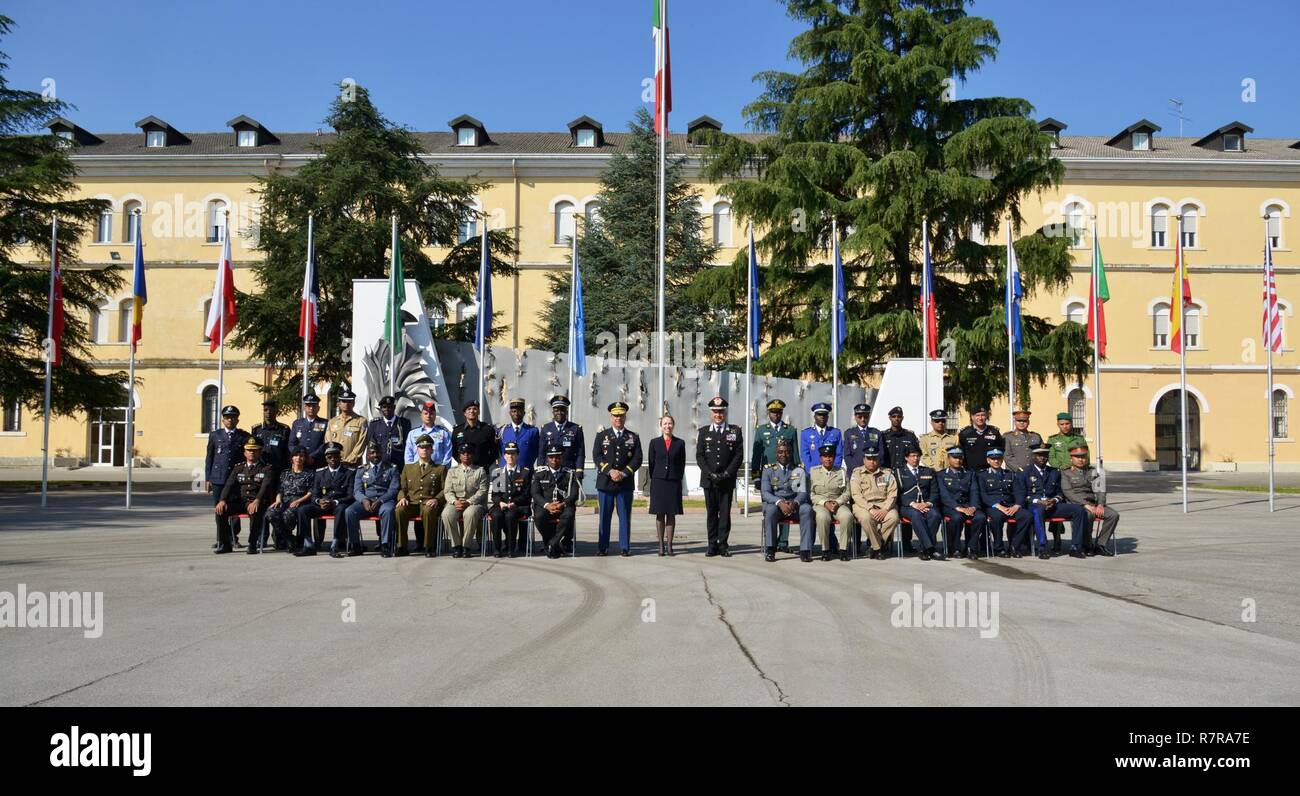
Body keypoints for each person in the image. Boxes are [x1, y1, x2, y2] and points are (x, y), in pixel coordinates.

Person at [1015, 445, 1089, 559]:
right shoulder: (1025, 472)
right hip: (1034, 506)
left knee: (1079, 510)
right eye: (1039, 455)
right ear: (1033, 456)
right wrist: (1038, 501)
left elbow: (1060, 492)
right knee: (1038, 511)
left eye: (1045, 455)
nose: (1042, 458)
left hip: (1052, 505)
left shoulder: (1054, 472)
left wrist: (1054, 500)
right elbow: (1022, 495)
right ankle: (1042, 547)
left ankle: (1076, 547)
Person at [696, 396, 743, 557]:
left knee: (724, 514)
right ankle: (711, 545)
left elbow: (738, 455)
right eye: (715, 412)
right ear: (711, 413)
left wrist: (726, 474)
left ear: (725, 412)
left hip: (726, 480)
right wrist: (710, 473)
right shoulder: (703, 432)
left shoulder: (734, 431)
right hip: (709, 480)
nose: (718, 415)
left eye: (721, 412)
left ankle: (723, 545)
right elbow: (700, 456)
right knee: (711, 514)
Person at [593, 401, 642, 556]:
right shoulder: (602, 436)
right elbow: (596, 455)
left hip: (624, 483)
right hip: (606, 482)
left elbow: (637, 458)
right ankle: (603, 547)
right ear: (611, 417)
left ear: (625, 416)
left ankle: (625, 547)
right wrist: (609, 471)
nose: (618, 418)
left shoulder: (633, 437)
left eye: (621, 415)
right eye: (615, 416)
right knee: (604, 517)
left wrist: (624, 473)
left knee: (625, 516)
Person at [294, 442, 355, 558]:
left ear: (340, 457)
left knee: (342, 509)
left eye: (336, 456)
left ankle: (335, 545)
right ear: (326, 459)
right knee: (303, 510)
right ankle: (308, 545)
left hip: (338, 504)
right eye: (329, 457)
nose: (333, 459)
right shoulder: (320, 473)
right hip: (322, 505)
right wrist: (319, 501)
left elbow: (351, 495)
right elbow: (314, 494)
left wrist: (335, 502)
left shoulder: (349, 473)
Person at [214, 438, 275, 554]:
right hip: (241, 502)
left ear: (260, 452)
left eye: (255, 450)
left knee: (255, 511)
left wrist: (257, 500)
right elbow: (229, 485)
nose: (252, 452)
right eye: (249, 450)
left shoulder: (266, 468)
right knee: (220, 511)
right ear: (244, 453)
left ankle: (252, 543)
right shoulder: (239, 468)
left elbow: (265, 487)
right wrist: (222, 500)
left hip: (257, 501)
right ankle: (225, 543)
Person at [760, 440, 813, 562]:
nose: (784, 455)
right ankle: (770, 549)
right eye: (781, 452)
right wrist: (779, 502)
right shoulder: (768, 470)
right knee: (770, 510)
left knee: (807, 509)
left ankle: (805, 550)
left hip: (794, 504)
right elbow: (766, 493)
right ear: (776, 453)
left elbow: (803, 492)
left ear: (791, 453)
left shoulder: (799, 470)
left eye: (787, 452)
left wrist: (795, 503)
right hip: (776, 505)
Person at [1060, 445, 1118, 557]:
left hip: (1093, 504)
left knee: (1113, 515)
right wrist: (1085, 505)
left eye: (1083, 457)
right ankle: (1087, 545)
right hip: (1076, 505)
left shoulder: (1093, 472)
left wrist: (1101, 504)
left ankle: (1101, 545)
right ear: (1071, 458)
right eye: (1077, 457)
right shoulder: (1065, 473)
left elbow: (1100, 490)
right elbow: (1068, 493)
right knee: (1088, 515)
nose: (1081, 459)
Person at [205, 405, 250, 549]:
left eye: (233, 417)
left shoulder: (243, 436)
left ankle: (233, 537)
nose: (230, 420)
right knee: (219, 509)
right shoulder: (215, 435)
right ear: (223, 420)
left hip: (236, 479)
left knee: (235, 510)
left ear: (237, 419)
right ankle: (221, 538)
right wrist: (208, 478)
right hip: (218, 478)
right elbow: (210, 458)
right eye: (227, 417)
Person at [395, 434, 447, 557]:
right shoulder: (408, 468)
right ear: (417, 449)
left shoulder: (440, 468)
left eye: (427, 447)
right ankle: (402, 546)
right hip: (412, 502)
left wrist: (436, 499)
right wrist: (402, 497)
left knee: (429, 511)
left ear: (432, 450)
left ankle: (429, 546)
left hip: (428, 502)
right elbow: (402, 488)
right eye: (421, 447)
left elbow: (445, 489)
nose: (424, 450)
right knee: (399, 510)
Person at [345, 442, 399, 556]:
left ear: (382, 453)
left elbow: (393, 490)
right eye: (372, 453)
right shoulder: (361, 470)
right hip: (366, 501)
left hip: (384, 501)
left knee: (388, 511)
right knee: (349, 511)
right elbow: (357, 490)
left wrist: (380, 501)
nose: (375, 455)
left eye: (377, 452)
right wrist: (364, 500)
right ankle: (355, 545)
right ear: (367, 455)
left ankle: (385, 545)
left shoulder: (391, 468)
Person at [974, 448, 1030, 558]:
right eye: (993, 459)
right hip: (993, 506)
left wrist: (1017, 505)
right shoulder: (982, 475)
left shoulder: (1010, 474)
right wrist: (997, 506)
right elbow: (983, 494)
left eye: (998, 458)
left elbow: (1019, 491)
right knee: (997, 517)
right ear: (988, 460)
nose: (996, 461)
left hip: (1010, 506)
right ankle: (999, 548)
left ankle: (1014, 546)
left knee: (1026, 516)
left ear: (1002, 459)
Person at [896, 445, 945, 561]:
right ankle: (931, 548)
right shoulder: (898, 472)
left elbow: (934, 492)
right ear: (906, 458)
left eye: (918, 456)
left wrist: (928, 503)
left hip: (926, 505)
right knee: (916, 515)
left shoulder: (928, 471)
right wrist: (913, 504)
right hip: (908, 507)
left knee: (935, 515)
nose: (916, 459)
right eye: (912, 456)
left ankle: (924, 549)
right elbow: (897, 494)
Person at [441, 443, 488, 558]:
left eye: (469, 453)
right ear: (459, 456)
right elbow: (448, 491)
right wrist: (454, 501)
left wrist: (468, 502)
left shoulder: (480, 471)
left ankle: (466, 546)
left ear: (473, 455)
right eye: (463, 453)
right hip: (456, 502)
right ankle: (456, 546)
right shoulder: (452, 471)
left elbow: (482, 491)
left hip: (474, 503)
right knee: (446, 514)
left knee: (469, 514)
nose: (466, 455)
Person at [532, 444, 580, 558]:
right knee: (538, 516)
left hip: (563, 505)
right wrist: (547, 505)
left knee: (569, 514)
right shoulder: (539, 473)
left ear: (562, 457)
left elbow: (574, 494)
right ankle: (554, 544)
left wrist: (562, 504)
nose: (554, 460)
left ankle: (552, 543)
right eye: (551, 457)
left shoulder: (570, 474)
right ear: (547, 458)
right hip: (545, 505)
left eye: (557, 457)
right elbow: (535, 493)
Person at [647, 414, 685, 557]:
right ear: (661, 426)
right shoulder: (654, 442)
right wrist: (656, 477)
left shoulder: (680, 443)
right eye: (665, 424)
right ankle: (660, 546)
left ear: (673, 425)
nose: (667, 426)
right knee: (659, 513)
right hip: (659, 482)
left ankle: (670, 545)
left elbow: (681, 463)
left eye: (669, 423)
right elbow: (652, 463)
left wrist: (677, 477)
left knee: (671, 513)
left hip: (673, 481)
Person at [937, 447, 985, 559]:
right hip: (951, 507)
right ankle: (955, 548)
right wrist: (957, 508)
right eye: (954, 458)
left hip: (968, 505)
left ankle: (971, 548)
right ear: (948, 458)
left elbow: (974, 491)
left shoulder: (970, 474)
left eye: (959, 458)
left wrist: (973, 506)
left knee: (980, 517)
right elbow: (944, 495)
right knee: (957, 518)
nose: (957, 460)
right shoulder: (941, 475)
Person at [849, 450, 898, 559]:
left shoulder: (887, 473)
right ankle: (878, 548)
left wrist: (885, 509)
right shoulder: (857, 473)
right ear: (864, 460)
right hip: (863, 505)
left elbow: (892, 494)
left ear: (878, 460)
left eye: (875, 459)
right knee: (866, 518)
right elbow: (856, 495)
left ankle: (874, 545)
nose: (872, 462)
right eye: (869, 459)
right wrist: (870, 508)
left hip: (884, 504)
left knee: (893, 517)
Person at [808, 443, 853, 561]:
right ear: (820, 458)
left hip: (838, 503)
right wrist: (824, 503)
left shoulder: (841, 472)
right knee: (822, 517)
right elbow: (812, 494)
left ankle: (843, 549)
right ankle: (825, 550)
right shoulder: (814, 472)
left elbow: (847, 492)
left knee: (847, 516)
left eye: (830, 456)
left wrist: (838, 502)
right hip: (821, 504)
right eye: (825, 456)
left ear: (834, 457)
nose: (828, 459)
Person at [266, 446, 314, 552]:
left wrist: (299, 501)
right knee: (271, 513)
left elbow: (311, 491)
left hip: (301, 501)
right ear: (291, 458)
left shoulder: (310, 473)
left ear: (305, 458)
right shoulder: (285, 473)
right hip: (285, 500)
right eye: (296, 456)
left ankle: (287, 540)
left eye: (301, 456)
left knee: (287, 515)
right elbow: (280, 490)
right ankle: (290, 539)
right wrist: (278, 500)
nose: (298, 458)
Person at [488, 441, 532, 558]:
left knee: (510, 516)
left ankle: (510, 548)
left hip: (518, 506)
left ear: (517, 455)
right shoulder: (498, 472)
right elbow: (495, 495)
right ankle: (497, 548)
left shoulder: (524, 472)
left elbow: (526, 494)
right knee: (496, 516)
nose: (510, 456)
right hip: (501, 505)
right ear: (504, 456)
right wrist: (500, 502)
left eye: (513, 454)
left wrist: (514, 503)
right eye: (508, 453)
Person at [750, 398, 798, 478]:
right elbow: (756, 456)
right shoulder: (761, 430)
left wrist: (797, 473)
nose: (776, 414)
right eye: (773, 412)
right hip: (767, 472)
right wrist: (756, 477)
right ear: (768, 413)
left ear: (782, 413)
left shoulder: (790, 430)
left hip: (787, 473)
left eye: (778, 412)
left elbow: (795, 455)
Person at [538, 395, 585, 475]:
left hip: (569, 471)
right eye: (556, 410)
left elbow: (580, 453)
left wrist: (579, 470)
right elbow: (541, 453)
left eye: (562, 410)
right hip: (549, 472)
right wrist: (540, 469)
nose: (559, 413)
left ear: (566, 411)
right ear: (553, 412)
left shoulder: (576, 429)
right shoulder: (545, 428)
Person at [366, 395, 411, 469]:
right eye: (384, 407)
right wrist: (370, 466)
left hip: (399, 465)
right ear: (381, 409)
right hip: (380, 465)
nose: (387, 409)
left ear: (394, 407)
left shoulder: (404, 423)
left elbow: (408, 446)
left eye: (390, 407)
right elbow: (370, 447)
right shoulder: (374, 424)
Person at [326, 388, 368, 467]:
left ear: (353, 403)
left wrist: (349, 460)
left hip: (353, 465)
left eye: (349, 401)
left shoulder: (361, 421)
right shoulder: (332, 422)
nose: (346, 404)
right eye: (344, 401)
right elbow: (328, 442)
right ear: (339, 403)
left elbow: (362, 443)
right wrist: (334, 458)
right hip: (335, 464)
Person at [453, 400, 499, 469]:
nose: (472, 411)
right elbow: (454, 451)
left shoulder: (488, 430)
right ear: (465, 413)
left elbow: (494, 451)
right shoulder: (457, 430)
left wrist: (486, 465)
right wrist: (463, 464)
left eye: (475, 409)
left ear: (478, 412)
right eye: (469, 409)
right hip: (464, 470)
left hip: (482, 470)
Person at [405, 400, 452, 466]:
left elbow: (448, 455)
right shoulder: (412, 434)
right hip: (417, 472)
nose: (428, 416)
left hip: (437, 472)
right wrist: (411, 471)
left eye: (431, 413)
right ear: (421, 415)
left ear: (435, 415)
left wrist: (442, 471)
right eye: (425, 413)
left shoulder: (443, 433)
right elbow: (408, 456)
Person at [843, 403, 884, 476]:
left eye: (865, 416)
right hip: (855, 473)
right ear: (855, 417)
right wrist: (857, 470)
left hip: (873, 473)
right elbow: (847, 455)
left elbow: (881, 453)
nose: (863, 419)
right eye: (860, 417)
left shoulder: (876, 433)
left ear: (869, 417)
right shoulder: (849, 433)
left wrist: (872, 468)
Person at [498, 398, 540, 470]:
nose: (516, 414)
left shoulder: (532, 431)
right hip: (505, 472)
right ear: (510, 413)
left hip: (525, 472)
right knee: (502, 481)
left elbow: (536, 452)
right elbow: (499, 451)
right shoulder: (502, 431)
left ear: (524, 413)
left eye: (519, 411)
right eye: (514, 411)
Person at [251, 399, 291, 473]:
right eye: (265, 410)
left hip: (278, 468)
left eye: (271, 410)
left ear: (276, 412)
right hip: (260, 468)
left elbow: (288, 450)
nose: (268, 412)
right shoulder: (256, 429)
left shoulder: (284, 429)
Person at [799, 403, 842, 471]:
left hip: (831, 472)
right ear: (814, 416)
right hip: (813, 474)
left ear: (827, 417)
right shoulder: (806, 434)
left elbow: (839, 454)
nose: (822, 417)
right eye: (819, 414)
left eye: (824, 415)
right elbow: (805, 456)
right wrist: (812, 472)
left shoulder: (835, 433)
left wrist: (835, 470)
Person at [290, 394, 327, 467]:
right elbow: (291, 444)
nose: (311, 408)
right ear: (304, 408)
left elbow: (325, 444)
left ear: (318, 408)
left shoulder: (325, 423)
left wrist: (312, 456)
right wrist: (299, 456)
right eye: (309, 406)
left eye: (314, 406)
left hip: (317, 462)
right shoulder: (297, 423)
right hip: (300, 462)